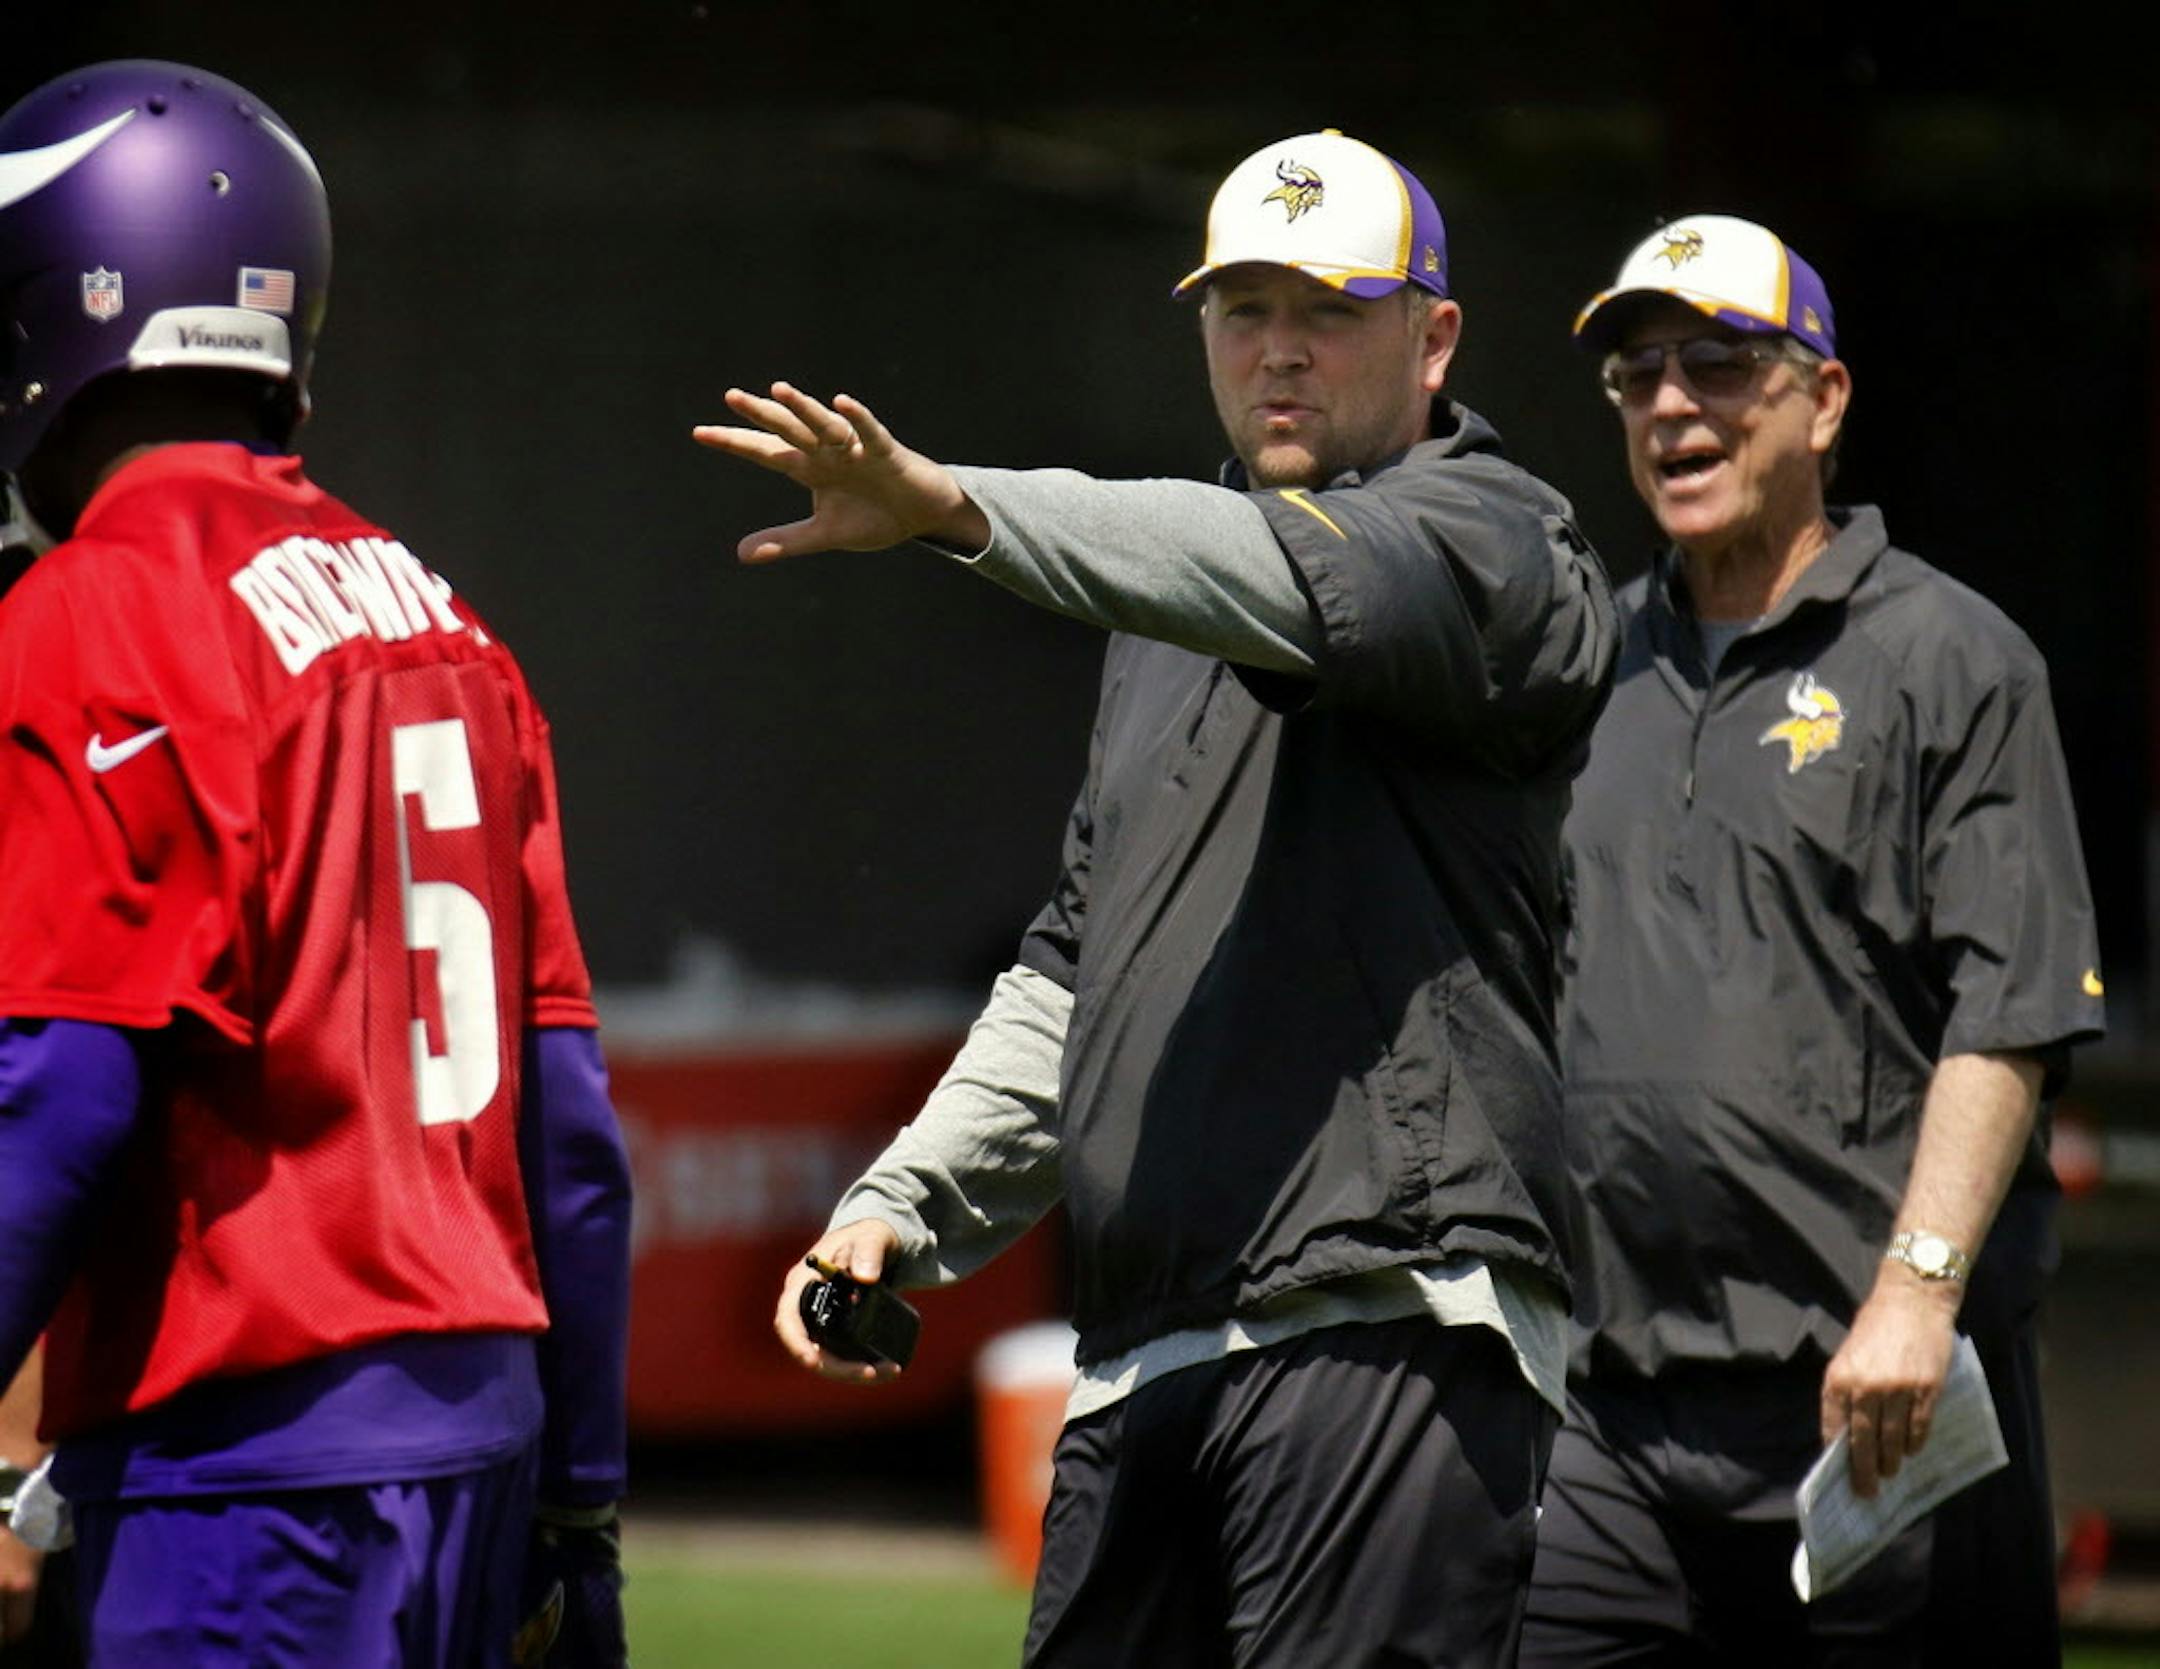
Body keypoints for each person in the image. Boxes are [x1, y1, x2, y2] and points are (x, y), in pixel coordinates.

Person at [699, 130, 1616, 1666]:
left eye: (1327, 311)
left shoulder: (1497, 534)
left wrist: (950, 505)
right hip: (1147, 1357)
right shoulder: (1161, 621)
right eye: (1241, 309)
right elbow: (1078, 967)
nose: (1278, 351)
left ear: (1434, 334)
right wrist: (903, 1202)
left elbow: (1257, 569)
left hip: (1385, 1324)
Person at [0, 62, 632, 1668]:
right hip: (479, 1454)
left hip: (242, 1469)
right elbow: (565, 1132)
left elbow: (62, 1084)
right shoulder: (454, 628)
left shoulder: (87, 612)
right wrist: (583, 1509)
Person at [1520, 214, 2105, 1664]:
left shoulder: (1953, 660)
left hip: (1872, 1407)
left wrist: (1914, 1294)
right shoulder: (1582, 662)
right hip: (1608, 1409)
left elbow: (2012, 1011)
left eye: (1720, 363)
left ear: (1824, 401)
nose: (1671, 404)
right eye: (1639, 373)